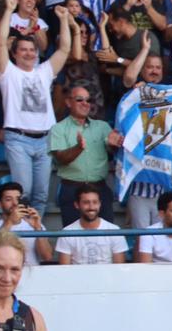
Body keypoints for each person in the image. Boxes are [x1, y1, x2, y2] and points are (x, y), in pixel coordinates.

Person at [0, 2, 73, 214]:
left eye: (32, 50)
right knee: (24, 192)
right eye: (23, 50)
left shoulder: (43, 71)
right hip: (18, 138)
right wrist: (8, 11)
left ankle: (35, 235)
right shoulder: (7, 72)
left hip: (45, 140)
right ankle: (21, 237)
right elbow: (0, 42)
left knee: (40, 195)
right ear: (15, 54)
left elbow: (65, 48)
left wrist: (64, 20)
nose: (29, 53)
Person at [48, 83, 124, 225]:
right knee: (74, 238)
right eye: (79, 100)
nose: (85, 104)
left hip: (99, 189)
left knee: (106, 237)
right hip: (72, 190)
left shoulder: (102, 126)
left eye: (88, 100)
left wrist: (116, 145)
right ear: (68, 102)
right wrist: (78, 148)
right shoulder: (58, 129)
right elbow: (61, 159)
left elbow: (113, 152)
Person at [0, 178, 55, 265]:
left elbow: (47, 257)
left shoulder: (35, 225)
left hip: (33, 276)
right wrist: (10, 222)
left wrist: (38, 229)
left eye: (18, 198)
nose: (15, 203)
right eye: (8, 199)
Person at [55, 183, 128, 264]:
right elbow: (65, 270)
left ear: (100, 204)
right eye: (86, 202)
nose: (91, 207)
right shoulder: (66, 233)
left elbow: (119, 269)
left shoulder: (115, 231)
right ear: (77, 205)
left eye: (95, 202)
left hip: (107, 276)